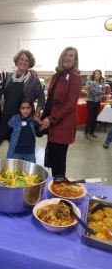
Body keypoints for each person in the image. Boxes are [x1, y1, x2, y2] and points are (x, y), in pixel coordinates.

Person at [40, 47, 82, 177]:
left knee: (58, 163)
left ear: (75, 60)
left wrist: (50, 119)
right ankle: (55, 187)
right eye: (66, 55)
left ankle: (61, 190)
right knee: (53, 159)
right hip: (53, 123)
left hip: (63, 124)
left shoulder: (75, 77)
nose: (67, 58)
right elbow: (51, 99)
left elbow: (70, 105)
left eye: (71, 56)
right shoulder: (56, 75)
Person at [0, 50, 45, 153]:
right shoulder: (8, 77)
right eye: (21, 59)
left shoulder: (33, 79)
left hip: (23, 121)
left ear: (30, 63)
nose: (24, 62)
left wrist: (36, 114)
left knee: (20, 151)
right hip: (7, 118)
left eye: (27, 60)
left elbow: (41, 98)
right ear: (17, 61)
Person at [5, 98, 42, 163]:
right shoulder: (14, 119)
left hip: (30, 153)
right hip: (16, 152)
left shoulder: (33, 121)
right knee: (13, 171)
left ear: (31, 108)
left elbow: (39, 134)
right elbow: (8, 133)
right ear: (19, 109)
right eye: (23, 108)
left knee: (30, 172)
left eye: (28, 108)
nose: (25, 110)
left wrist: (38, 123)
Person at [84, 70, 105, 138]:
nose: (97, 75)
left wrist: (101, 91)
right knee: (90, 117)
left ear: (100, 75)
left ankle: (92, 132)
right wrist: (101, 92)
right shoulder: (90, 82)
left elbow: (103, 91)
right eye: (96, 74)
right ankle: (86, 133)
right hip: (91, 101)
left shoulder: (100, 83)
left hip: (98, 101)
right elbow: (93, 92)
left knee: (95, 118)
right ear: (94, 75)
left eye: (99, 74)